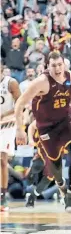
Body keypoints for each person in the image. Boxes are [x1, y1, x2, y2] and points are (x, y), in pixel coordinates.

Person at [15, 51, 71, 213]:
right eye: (53, 65)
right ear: (47, 67)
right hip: (46, 128)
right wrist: (19, 129)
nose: (57, 68)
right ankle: (58, 186)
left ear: (64, 64)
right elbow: (20, 104)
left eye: (59, 65)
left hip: (65, 121)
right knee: (53, 168)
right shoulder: (40, 82)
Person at [26, 118, 71, 207]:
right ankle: (31, 187)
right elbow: (31, 126)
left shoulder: (69, 129)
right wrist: (30, 140)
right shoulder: (48, 118)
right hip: (41, 151)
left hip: (54, 154)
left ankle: (33, 196)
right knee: (35, 170)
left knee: (50, 177)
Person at [0, 62, 22, 212]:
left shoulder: (11, 83)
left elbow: (20, 104)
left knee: (2, 159)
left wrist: (3, 115)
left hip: (7, 126)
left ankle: (2, 197)